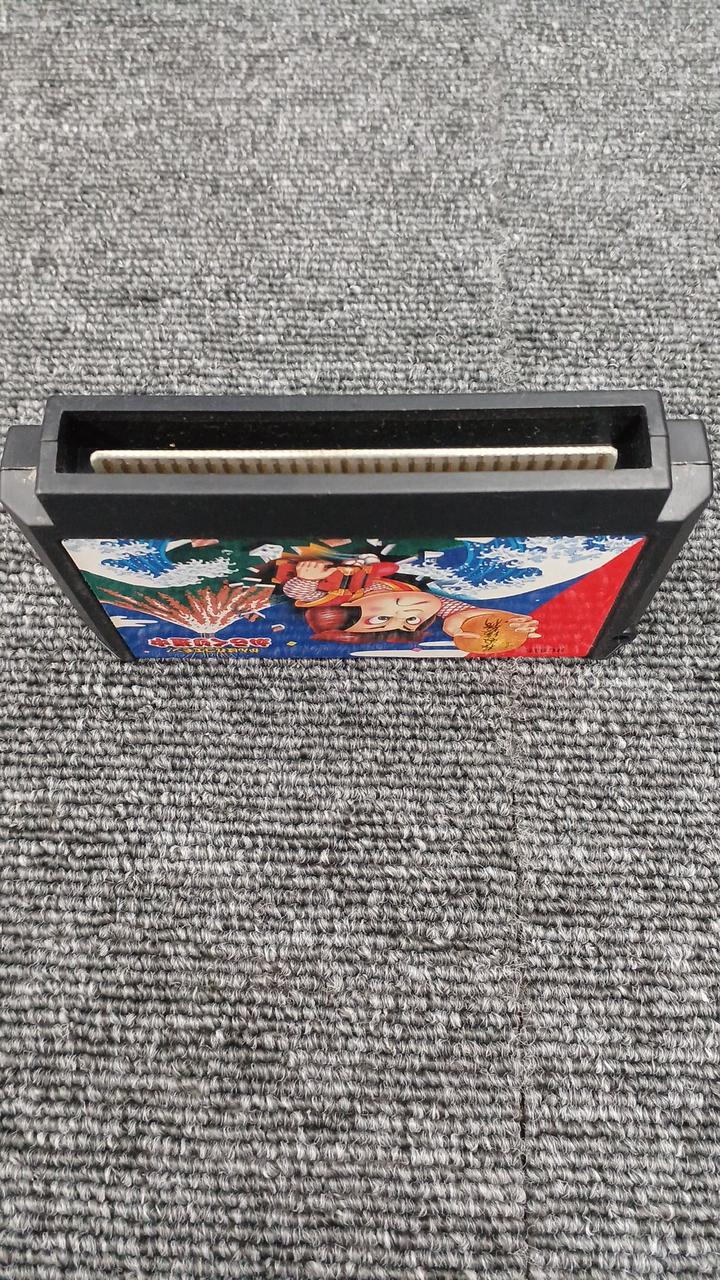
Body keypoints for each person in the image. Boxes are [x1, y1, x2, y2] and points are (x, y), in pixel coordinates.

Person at [271, 551, 539, 654]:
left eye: (381, 619)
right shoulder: (419, 599)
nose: (411, 613)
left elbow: (303, 595)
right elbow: (456, 612)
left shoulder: (345, 596)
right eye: (411, 621)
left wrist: (306, 579)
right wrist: (497, 623)